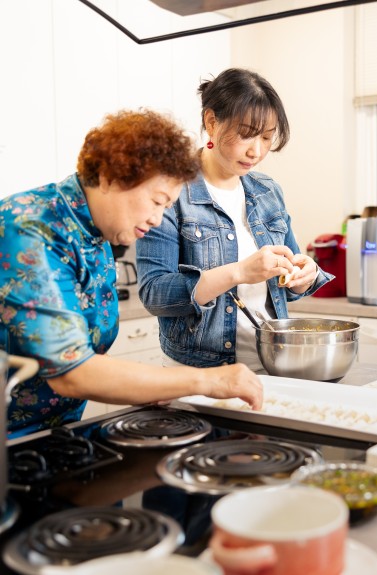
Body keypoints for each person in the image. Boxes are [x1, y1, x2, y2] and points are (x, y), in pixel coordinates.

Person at [0, 109, 263, 438]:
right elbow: (72, 372)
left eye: (166, 208)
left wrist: (154, 386)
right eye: (156, 201)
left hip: (52, 436)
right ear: (111, 177)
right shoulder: (28, 228)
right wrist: (206, 379)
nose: (157, 219)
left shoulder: (99, 235)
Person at [136, 68, 333, 372]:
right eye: (246, 134)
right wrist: (239, 272)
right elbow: (155, 294)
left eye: (267, 137)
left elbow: (289, 276)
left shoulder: (267, 191)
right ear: (211, 122)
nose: (256, 150)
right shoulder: (172, 191)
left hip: (272, 365)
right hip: (198, 371)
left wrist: (301, 275)